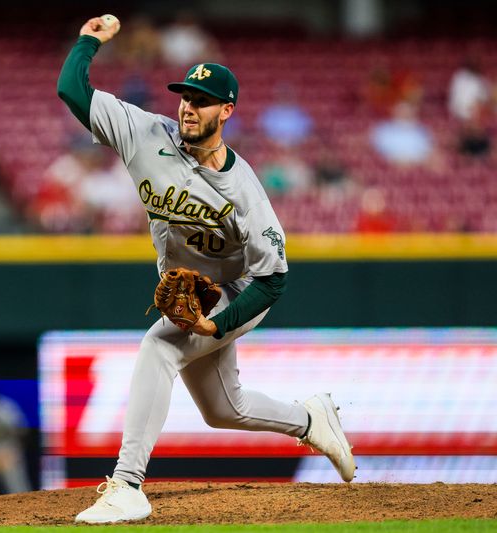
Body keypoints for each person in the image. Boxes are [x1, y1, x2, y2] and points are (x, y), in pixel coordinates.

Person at [57, 16, 356, 524]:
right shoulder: (145, 133)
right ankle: (311, 418)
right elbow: (71, 90)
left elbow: (273, 278)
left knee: (159, 345)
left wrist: (216, 323)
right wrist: (89, 41)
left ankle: (128, 485)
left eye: (201, 100)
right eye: (184, 96)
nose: (187, 107)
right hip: (191, 291)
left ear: (227, 110)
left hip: (235, 290)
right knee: (223, 409)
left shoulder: (244, 191)